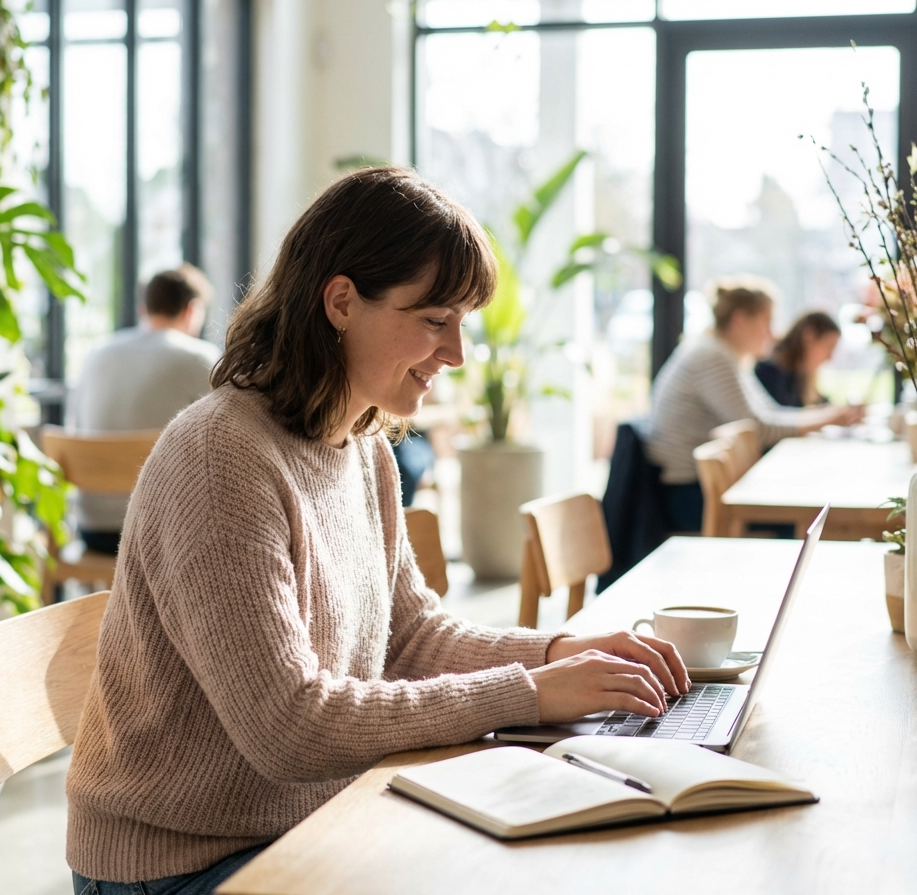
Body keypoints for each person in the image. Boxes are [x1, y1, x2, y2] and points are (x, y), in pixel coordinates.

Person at [66, 167, 690, 894]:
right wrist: (534, 692)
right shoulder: (221, 458)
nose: (456, 354)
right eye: (434, 321)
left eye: (461, 323)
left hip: (315, 823)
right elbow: (288, 727)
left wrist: (562, 651)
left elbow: (412, 638)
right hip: (181, 866)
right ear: (340, 301)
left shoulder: (362, 446)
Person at [647, 279, 862, 532]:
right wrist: (828, 418)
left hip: (702, 488)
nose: (772, 334)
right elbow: (759, 429)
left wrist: (827, 415)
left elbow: (771, 414)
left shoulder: (727, 355)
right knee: (809, 517)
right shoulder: (712, 356)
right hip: (690, 495)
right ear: (740, 320)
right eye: (767, 322)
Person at [71, 264, 220, 555]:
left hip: (93, 529)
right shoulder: (198, 357)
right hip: (160, 536)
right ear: (191, 311)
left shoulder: (96, 354)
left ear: (144, 309)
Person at [755, 311, 841, 408]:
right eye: (829, 347)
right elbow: (783, 417)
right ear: (809, 336)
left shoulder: (800, 374)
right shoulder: (769, 372)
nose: (830, 357)